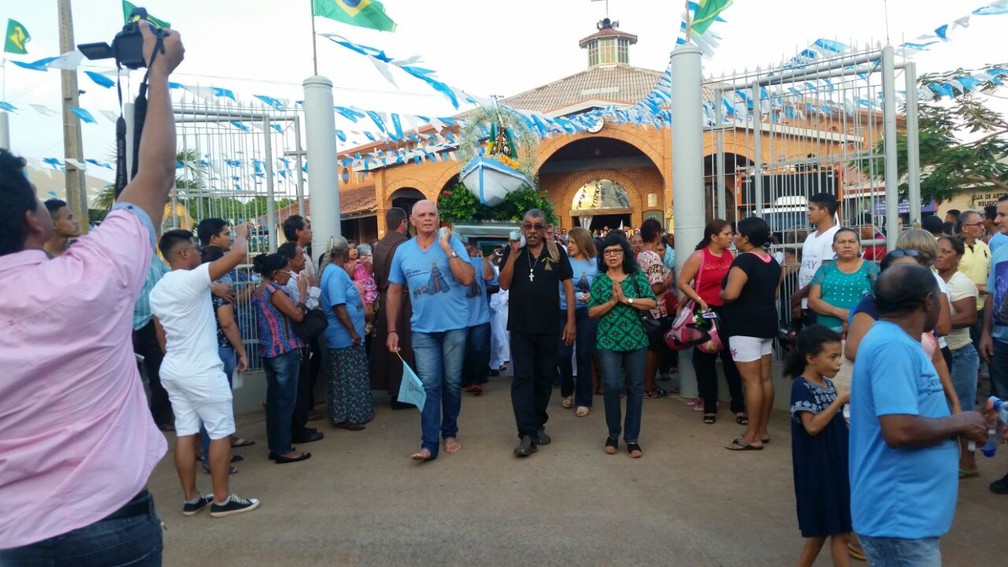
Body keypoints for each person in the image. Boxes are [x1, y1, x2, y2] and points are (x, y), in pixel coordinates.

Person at [0, 22, 182, 562]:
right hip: (110, 525)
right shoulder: (92, 274)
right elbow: (157, 175)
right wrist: (158, 70)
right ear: (37, 220)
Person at [849, 263, 989, 566]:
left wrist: (973, 421)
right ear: (929, 301)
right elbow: (899, 430)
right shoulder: (892, 346)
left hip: (907, 516)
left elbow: (918, 415)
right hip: (898, 517)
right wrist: (959, 420)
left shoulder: (900, 343)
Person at [151, 227, 261, 517]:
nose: (200, 253)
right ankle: (222, 500)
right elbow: (238, 254)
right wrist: (240, 233)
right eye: (195, 249)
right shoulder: (192, 278)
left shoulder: (159, 289)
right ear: (183, 253)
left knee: (186, 434)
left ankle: (192, 499)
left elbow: (160, 334)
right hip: (201, 371)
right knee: (220, 432)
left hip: (174, 368)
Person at [386, 200, 474, 462]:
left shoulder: (452, 243)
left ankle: (449, 432)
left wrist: (448, 250)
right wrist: (391, 329)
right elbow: (393, 291)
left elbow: (468, 278)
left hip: (455, 325)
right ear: (411, 221)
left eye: (432, 214)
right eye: (422, 215)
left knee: (452, 382)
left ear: (438, 219)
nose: (427, 219)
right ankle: (428, 444)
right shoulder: (402, 251)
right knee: (429, 385)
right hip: (422, 329)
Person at [499, 208, 576, 458]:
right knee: (523, 378)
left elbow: (567, 286)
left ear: (545, 229)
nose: (532, 231)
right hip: (521, 328)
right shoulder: (513, 252)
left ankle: (538, 423)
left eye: (537, 226)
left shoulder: (556, 252)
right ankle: (527, 434)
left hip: (549, 326)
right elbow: (504, 283)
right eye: (528, 226)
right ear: (522, 227)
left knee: (544, 378)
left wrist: (571, 322)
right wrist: (512, 254)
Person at [785, 326, 851, 567]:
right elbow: (811, 427)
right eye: (832, 357)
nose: (838, 363)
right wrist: (839, 402)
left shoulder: (826, 384)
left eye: (839, 357)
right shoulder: (801, 386)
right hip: (818, 469)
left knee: (834, 531)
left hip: (833, 465)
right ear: (811, 359)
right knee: (834, 531)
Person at [589, 232, 657, 458]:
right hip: (608, 340)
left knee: (636, 388)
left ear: (624, 253)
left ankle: (632, 438)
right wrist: (611, 301)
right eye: (607, 252)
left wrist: (627, 300)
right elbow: (591, 312)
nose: (612, 255)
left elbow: (651, 302)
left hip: (637, 340)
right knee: (610, 386)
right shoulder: (599, 280)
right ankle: (613, 433)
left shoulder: (636, 276)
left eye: (616, 251)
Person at [677, 219, 746, 425]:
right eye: (727, 234)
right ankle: (709, 405)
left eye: (732, 234)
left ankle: (738, 405)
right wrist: (698, 300)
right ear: (714, 237)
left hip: (727, 311)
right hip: (703, 311)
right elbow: (682, 282)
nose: (731, 237)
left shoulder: (730, 255)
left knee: (730, 358)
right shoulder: (699, 256)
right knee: (705, 358)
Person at [721, 217, 782, 451]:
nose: (733, 237)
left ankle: (752, 435)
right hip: (766, 323)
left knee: (752, 381)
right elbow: (774, 294)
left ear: (745, 238)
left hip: (744, 327)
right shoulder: (771, 261)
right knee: (765, 379)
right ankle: (762, 430)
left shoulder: (744, 261)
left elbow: (732, 294)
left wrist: (722, 293)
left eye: (736, 233)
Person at [251, 253, 311, 464]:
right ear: (276, 274)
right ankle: (284, 449)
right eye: (287, 270)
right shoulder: (274, 291)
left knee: (276, 403)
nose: (290, 275)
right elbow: (297, 315)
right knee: (285, 402)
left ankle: (276, 446)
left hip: (269, 351)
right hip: (284, 351)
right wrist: (303, 293)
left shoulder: (259, 290)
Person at [935, 235, 981, 478]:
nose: (940, 254)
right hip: (942, 354)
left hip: (960, 353)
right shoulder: (934, 279)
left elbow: (969, 317)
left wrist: (936, 324)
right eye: (938, 250)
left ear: (958, 257)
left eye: (946, 251)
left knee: (962, 409)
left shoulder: (960, 282)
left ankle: (969, 462)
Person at [320, 237, 374, 430]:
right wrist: (352, 331)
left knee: (349, 376)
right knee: (348, 378)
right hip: (344, 336)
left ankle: (351, 414)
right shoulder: (334, 274)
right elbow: (338, 306)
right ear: (342, 254)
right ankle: (349, 416)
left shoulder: (335, 271)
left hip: (347, 335)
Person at [276, 241, 324, 444]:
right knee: (299, 389)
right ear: (289, 261)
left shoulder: (296, 279)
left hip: (296, 341)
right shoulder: (291, 282)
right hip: (295, 340)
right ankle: (297, 431)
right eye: (299, 256)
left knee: (302, 386)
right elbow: (304, 309)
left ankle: (299, 427)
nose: (303, 258)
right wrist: (313, 289)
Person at [370, 207, 415, 409]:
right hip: (402, 299)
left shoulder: (379, 246)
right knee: (404, 347)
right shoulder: (404, 245)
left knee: (389, 346)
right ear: (403, 223)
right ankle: (402, 395)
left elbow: (377, 276)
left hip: (384, 295)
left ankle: (392, 390)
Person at [556, 226, 598, 417]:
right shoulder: (564, 262)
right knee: (563, 355)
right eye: (567, 242)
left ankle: (583, 400)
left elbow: (602, 287)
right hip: (564, 312)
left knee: (583, 355)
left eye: (572, 242)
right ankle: (566, 389)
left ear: (582, 242)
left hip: (586, 314)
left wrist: (593, 295)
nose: (569, 245)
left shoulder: (596, 264)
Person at [808, 227, 878, 333]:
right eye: (841, 242)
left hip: (861, 328)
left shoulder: (870, 267)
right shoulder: (825, 269)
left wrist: (853, 316)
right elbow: (812, 301)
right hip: (827, 331)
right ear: (833, 247)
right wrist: (839, 312)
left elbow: (878, 297)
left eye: (852, 242)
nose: (847, 246)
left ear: (859, 245)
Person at [133, 255, 174, 431]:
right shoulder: (117, 260)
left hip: (152, 322)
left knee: (160, 373)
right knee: (126, 379)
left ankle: (161, 419)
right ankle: (131, 423)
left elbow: (171, 276)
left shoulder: (153, 259)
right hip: (122, 324)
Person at [637, 218, 674, 399]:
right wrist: (668, 281)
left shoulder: (641, 255)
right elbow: (655, 287)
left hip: (644, 310)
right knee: (654, 349)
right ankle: (649, 386)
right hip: (655, 309)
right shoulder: (653, 257)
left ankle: (648, 384)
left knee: (651, 349)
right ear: (657, 234)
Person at [792, 193, 840, 325]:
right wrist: (798, 301)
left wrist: (798, 296)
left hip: (821, 302)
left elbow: (824, 274)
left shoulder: (835, 235)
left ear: (824, 211)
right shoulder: (811, 237)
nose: (808, 213)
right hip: (805, 303)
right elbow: (803, 270)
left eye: (811, 209)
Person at [461, 242, 494, 395]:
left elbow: (492, 280)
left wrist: (485, 261)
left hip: (480, 315)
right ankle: (466, 380)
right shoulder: (449, 265)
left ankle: (476, 381)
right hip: (458, 317)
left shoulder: (480, 263)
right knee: (464, 351)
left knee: (478, 348)